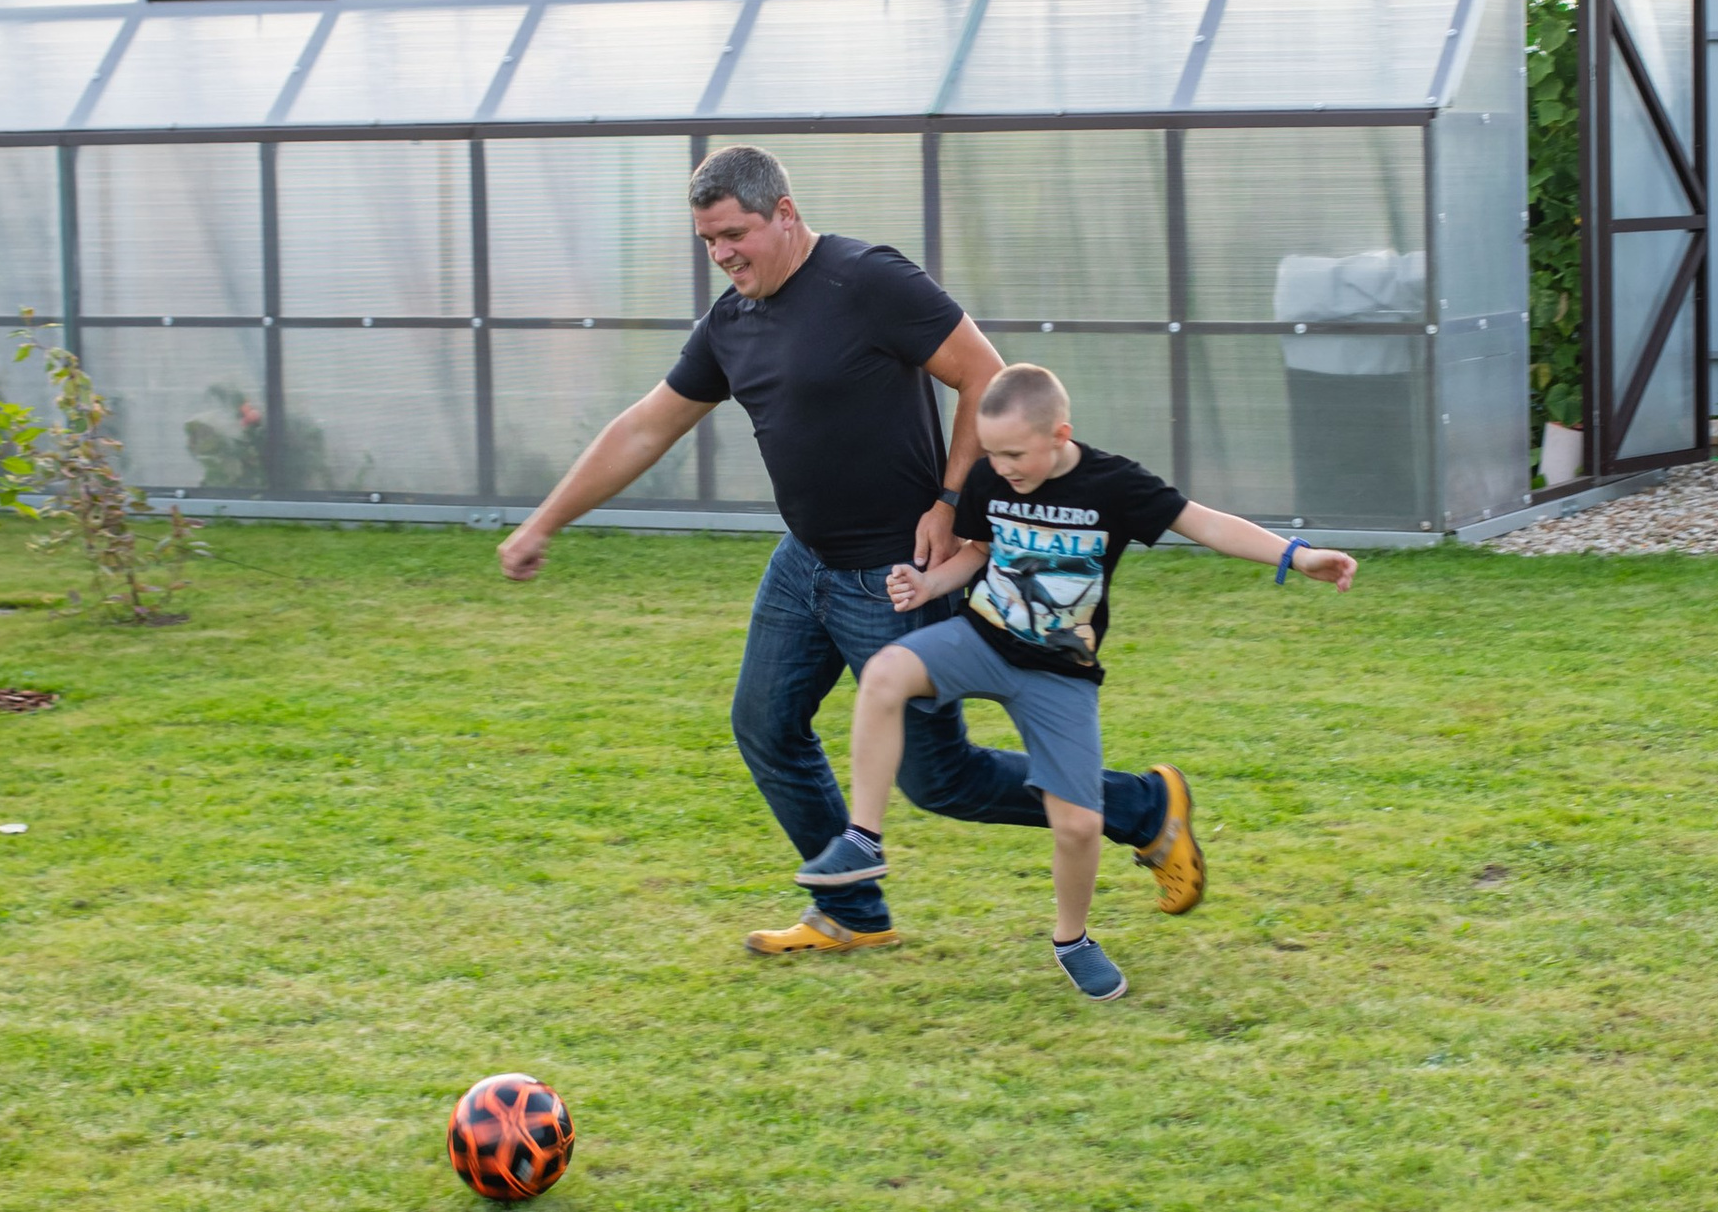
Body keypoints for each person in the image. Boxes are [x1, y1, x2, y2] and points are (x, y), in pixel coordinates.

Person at [496, 145, 1206, 952]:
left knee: (941, 778)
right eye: (708, 241)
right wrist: (544, 522)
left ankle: (1145, 807)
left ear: (785, 214)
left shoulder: (867, 279)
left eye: (734, 234)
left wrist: (952, 501)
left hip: (897, 573)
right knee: (766, 727)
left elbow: (983, 374)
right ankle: (851, 911)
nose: (722, 254)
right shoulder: (731, 324)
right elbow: (644, 428)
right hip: (805, 563)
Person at [794, 361, 1354, 999]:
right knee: (885, 673)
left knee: (1080, 825)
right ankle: (864, 840)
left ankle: (1073, 940)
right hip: (981, 640)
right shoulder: (990, 474)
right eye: (992, 453)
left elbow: (1204, 523)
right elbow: (978, 550)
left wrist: (1297, 555)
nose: (1001, 467)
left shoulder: (1114, 483)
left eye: (1015, 454)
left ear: (1059, 434)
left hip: (1059, 672)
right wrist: (928, 585)